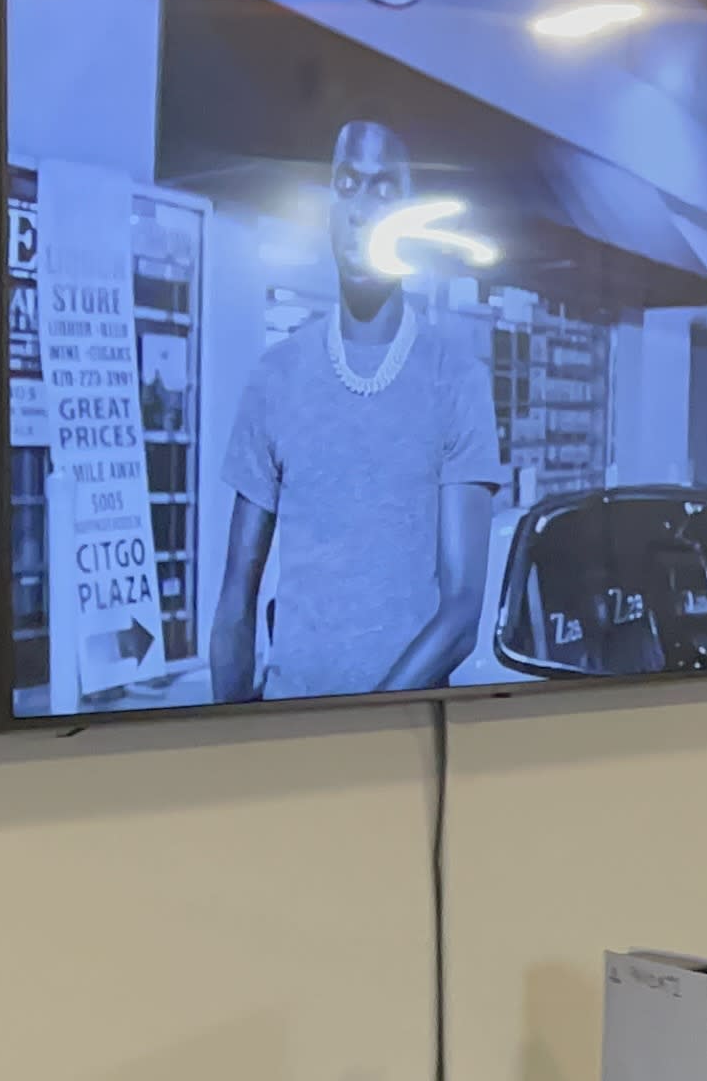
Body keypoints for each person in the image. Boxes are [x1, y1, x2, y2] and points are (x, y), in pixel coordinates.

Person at [209, 121, 506, 702]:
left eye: (385, 188)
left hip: (405, 748)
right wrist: (230, 751)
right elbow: (234, 609)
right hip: (288, 739)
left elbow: (462, 612)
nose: (363, 208)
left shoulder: (456, 380)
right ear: (328, 206)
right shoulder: (277, 376)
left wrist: (363, 728)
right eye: (347, 183)